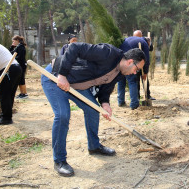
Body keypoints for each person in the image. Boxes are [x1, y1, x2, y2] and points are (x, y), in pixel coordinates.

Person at [41, 42, 145, 177]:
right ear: (130, 61)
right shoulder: (108, 53)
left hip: (77, 86)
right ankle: (59, 161)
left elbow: (106, 86)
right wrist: (62, 75)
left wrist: (105, 103)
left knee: (93, 110)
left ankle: (94, 146)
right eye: (136, 68)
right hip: (55, 77)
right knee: (62, 115)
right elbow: (74, 48)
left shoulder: (120, 72)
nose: (135, 72)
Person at [117, 36, 150, 109]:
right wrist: (145, 73)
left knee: (121, 81)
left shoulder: (128, 38)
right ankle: (134, 104)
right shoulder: (144, 43)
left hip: (121, 61)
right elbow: (146, 60)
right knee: (132, 81)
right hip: (130, 63)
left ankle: (120, 101)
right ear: (148, 42)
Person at [0, 42, 22, 125]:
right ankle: (5, 114)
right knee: (9, 94)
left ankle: (6, 118)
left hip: (8, 69)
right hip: (15, 68)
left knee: (4, 94)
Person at [133, 30, 155, 100]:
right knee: (136, 81)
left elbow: (151, 49)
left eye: (139, 37)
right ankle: (137, 97)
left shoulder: (145, 41)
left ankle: (147, 95)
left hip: (143, 63)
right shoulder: (132, 42)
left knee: (145, 80)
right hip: (135, 65)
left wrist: (150, 42)